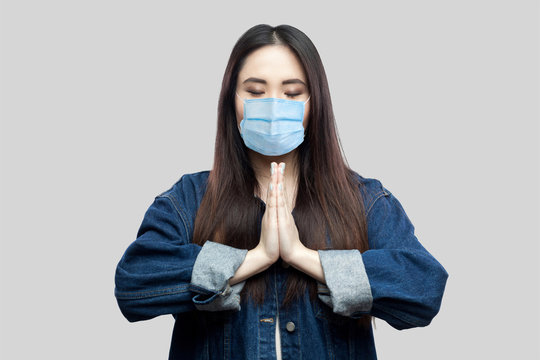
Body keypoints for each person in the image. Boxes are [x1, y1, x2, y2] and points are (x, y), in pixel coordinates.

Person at [114, 24, 449, 360]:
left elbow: (423, 287)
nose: (274, 107)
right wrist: (252, 259)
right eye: (256, 92)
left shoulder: (364, 201)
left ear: (315, 103)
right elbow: (133, 282)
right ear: (231, 100)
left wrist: (303, 257)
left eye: (292, 93)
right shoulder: (189, 199)